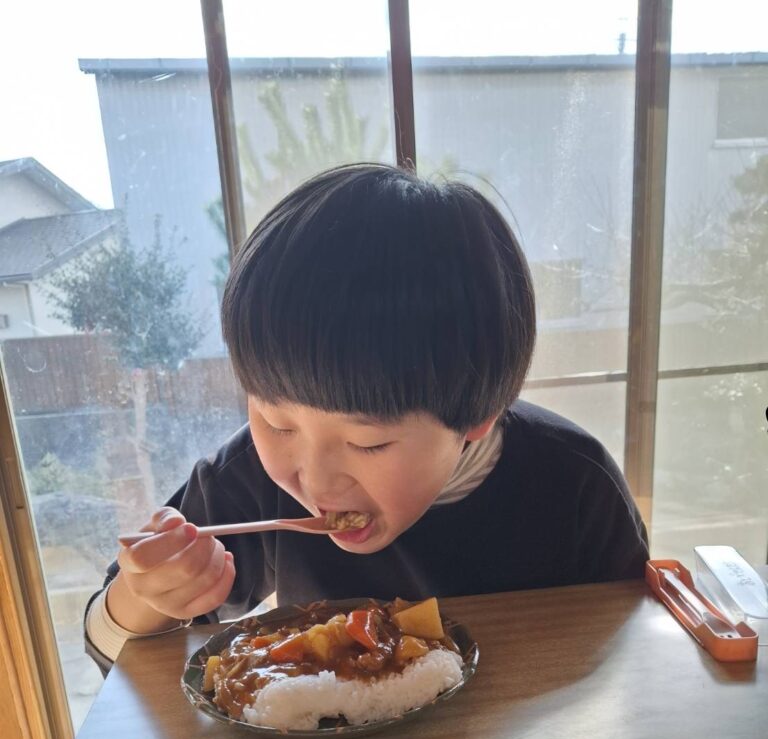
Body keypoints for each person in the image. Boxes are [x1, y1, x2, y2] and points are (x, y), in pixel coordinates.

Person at [85, 163, 648, 673]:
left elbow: (633, 658)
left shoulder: (573, 484)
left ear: (477, 414)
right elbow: (111, 649)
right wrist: (148, 593)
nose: (315, 479)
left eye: (368, 442)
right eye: (277, 421)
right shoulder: (252, 476)